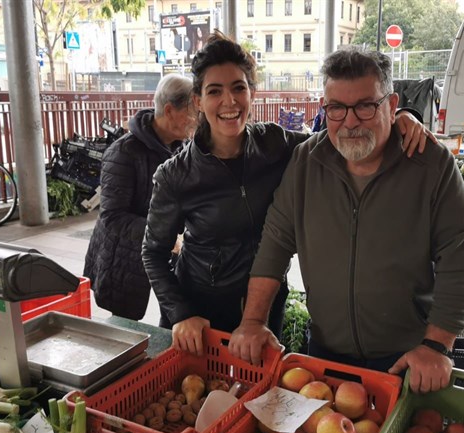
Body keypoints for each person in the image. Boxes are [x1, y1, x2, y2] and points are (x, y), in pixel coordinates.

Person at [142, 32, 434, 356]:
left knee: (257, 386)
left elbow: (341, 137)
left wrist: (401, 116)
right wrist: (181, 313)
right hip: (199, 315)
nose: (229, 101)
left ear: (252, 92)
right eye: (214, 91)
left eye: (239, 88)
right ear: (198, 100)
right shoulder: (176, 176)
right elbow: (153, 253)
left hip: (265, 305)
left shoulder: (275, 144)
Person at [227, 46, 464, 393]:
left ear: (391, 106)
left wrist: (436, 345)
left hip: (407, 360)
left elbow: (462, 258)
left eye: (365, 106)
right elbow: (274, 244)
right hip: (325, 353)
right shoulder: (306, 162)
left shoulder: (430, 164)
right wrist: (253, 321)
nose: (350, 122)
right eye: (336, 108)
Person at [83, 74, 197, 320]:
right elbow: (112, 217)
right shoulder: (123, 152)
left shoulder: (182, 148)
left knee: (176, 315)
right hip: (124, 256)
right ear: (169, 110)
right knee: (125, 325)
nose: (196, 120)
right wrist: (163, 234)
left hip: (166, 249)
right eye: (192, 113)